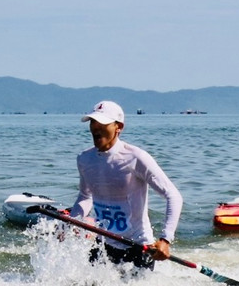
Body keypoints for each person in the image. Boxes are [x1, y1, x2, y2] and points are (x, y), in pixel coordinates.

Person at [73, 100, 182, 271]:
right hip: (103, 242)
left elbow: (173, 195)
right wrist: (72, 223)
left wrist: (165, 239)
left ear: (119, 127)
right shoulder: (85, 159)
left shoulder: (136, 157)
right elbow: (85, 196)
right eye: (93, 122)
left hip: (138, 245)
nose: (95, 127)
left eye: (102, 122)